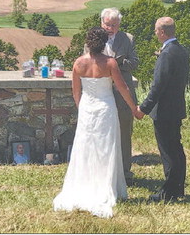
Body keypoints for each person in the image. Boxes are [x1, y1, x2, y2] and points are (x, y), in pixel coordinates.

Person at [54, 27, 138, 218]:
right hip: (106, 108)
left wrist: (81, 107)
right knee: (107, 147)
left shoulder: (78, 63)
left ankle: (85, 183)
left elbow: (76, 91)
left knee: (85, 147)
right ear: (103, 44)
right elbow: (123, 87)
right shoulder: (109, 63)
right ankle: (107, 184)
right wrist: (134, 108)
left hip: (87, 108)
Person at [135, 17, 189, 202]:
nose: (155, 33)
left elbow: (158, 86)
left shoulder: (166, 54)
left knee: (168, 151)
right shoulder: (181, 50)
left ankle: (169, 192)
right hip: (176, 107)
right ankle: (178, 188)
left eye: (156, 30)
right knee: (176, 149)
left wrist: (143, 108)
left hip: (165, 110)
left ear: (162, 32)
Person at [100, 8, 139, 186]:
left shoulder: (128, 39)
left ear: (119, 25)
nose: (110, 28)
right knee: (102, 134)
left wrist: (120, 63)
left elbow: (135, 63)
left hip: (123, 93)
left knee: (124, 134)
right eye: (108, 24)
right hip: (101, 92)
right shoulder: (93, 38)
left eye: (114, 25)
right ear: (102, 22)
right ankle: (103, 171)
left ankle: (125, 173)